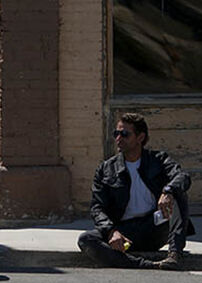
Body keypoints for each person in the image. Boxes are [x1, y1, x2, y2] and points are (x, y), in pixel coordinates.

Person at [77, 113, 194, 270]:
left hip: (154, 226)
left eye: (125, 134)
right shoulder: (106, 169)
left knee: (178, 194)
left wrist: (168, 191)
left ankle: (174, 256)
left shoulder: (158, 160)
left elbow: (182, 177)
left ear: (140, 138)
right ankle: (145, 265)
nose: (119, 138)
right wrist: (111, 231)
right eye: (116, 134)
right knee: (86, 239)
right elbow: (97, 207)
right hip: (125, 233)